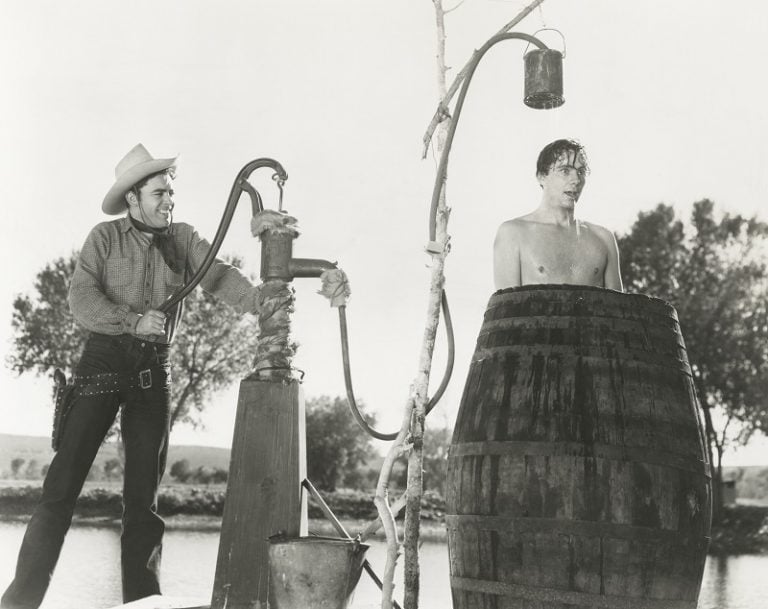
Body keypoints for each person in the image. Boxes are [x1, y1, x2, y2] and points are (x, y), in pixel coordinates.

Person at [1, 143, 282, 609]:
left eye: (171, 192)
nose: (169, 201)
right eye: (159, 193)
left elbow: (218, 276)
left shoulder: (184, 238)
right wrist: (132, 321)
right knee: (60, 491)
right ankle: (18, 604)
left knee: (143, 505)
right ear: (133, 199)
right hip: (101, 366)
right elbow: (80, 301)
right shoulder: (103, 238)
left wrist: (262, 303)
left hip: (154, 372)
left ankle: (142, 604)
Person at [493, 139, 623, 291]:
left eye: (580, 172)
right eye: (565, 171)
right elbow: (506, 310)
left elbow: (618, 311)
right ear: (542, 176)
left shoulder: (603, 238)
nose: (576, 180)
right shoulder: (513, 233)